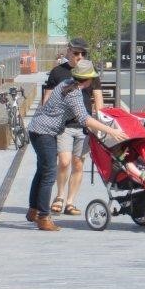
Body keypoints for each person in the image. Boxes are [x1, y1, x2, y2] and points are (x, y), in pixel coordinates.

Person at [27, 60, 127, 231]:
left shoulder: (66, 83)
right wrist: (112, 132)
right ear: (87, 80)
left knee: (41, 170)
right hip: (45, 133)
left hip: (37, 128)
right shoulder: (74, 93)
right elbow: (85, 119)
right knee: (49, 173)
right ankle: (43, 217)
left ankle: (34, 210)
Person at [43, 37, 103, 216]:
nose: (80, 56)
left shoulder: (92, 73)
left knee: (78, 164)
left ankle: (70, 202)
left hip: (84, 126)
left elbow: (99, 101)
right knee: (64, 161)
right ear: (68, 51)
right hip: (64, 125)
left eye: (83, 53)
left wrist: (100, 126)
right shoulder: (58, 72)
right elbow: (47, 100)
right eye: (76, 52)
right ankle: (59, 196)